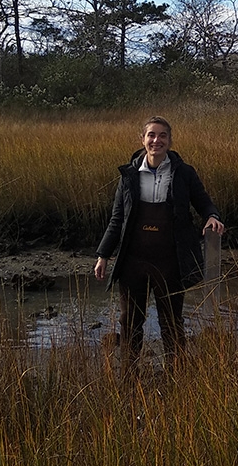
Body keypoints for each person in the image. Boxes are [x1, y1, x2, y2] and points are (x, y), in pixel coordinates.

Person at [94, 116, 225, 366]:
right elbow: (117, 219)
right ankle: (130, 379)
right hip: (133, 261)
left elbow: (204, 201)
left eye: (162, 135)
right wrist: (103, 256)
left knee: (172, 322)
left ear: (170, 140)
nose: (157, 140)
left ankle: (177, 376)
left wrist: (212, 216)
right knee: (130, 321)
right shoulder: (129, 176)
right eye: (151, 135)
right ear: (142, 140)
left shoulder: (184, 173)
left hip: (170, 262)